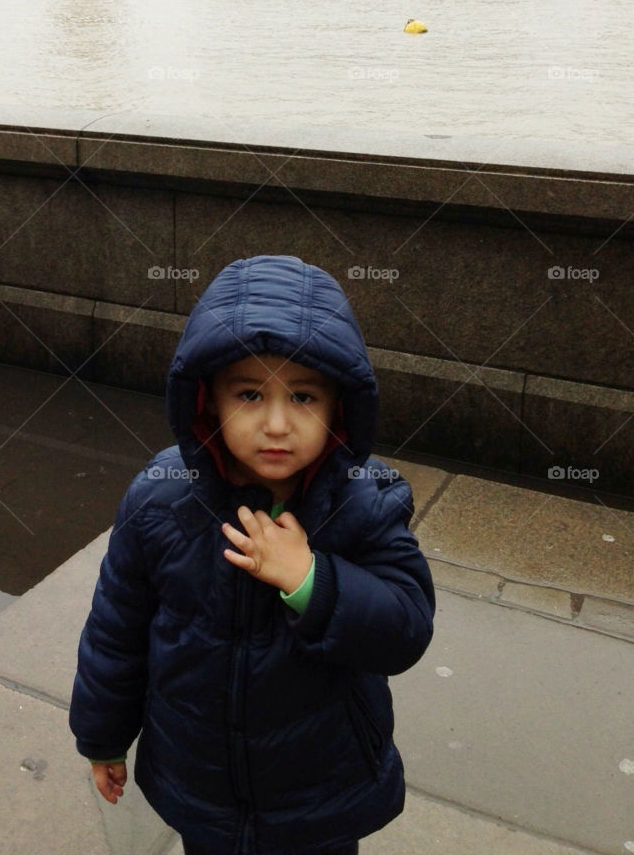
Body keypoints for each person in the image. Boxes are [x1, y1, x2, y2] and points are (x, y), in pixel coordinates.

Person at [69, 254, 435, 855]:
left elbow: (405, 629)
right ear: (206, 399)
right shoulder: (161, 500)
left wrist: (313, 580)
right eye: (248, 393)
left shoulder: (365, 504)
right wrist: (102, 737)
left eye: (303, 396)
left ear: (340, 406)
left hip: (318, 789)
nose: (275, 424)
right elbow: (117, 630)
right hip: (201, 781)